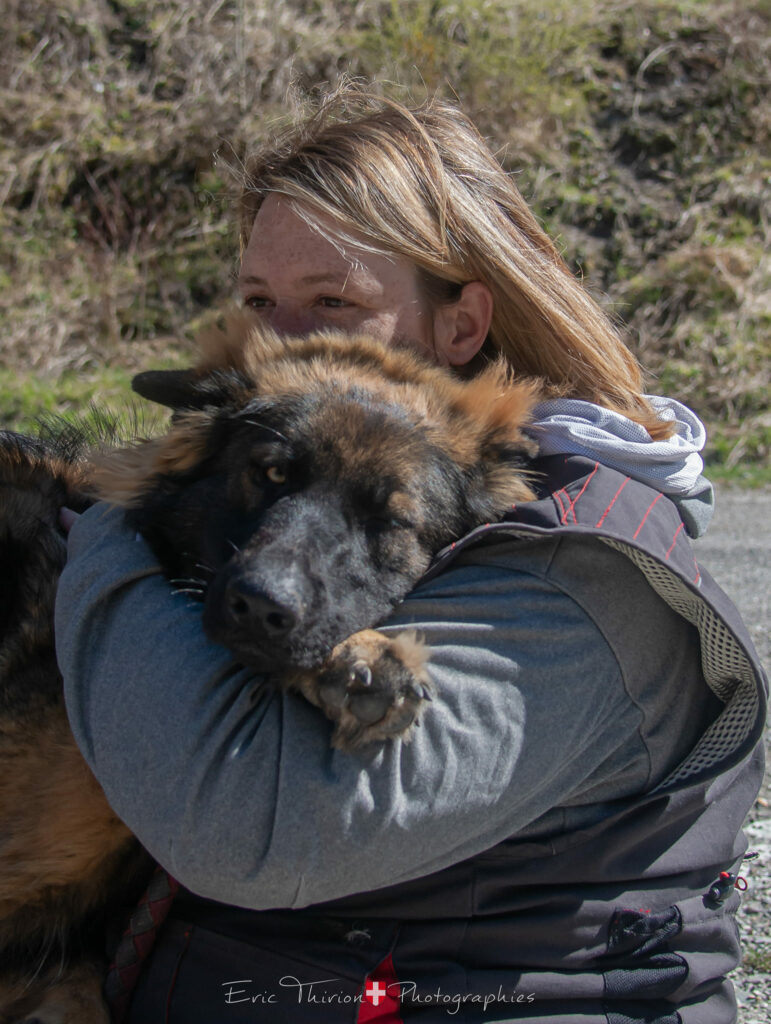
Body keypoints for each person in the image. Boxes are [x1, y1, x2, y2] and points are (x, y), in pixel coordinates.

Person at [55, 86, 766, 1023]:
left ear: (461, 324)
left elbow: (245, 827)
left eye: (333, 301)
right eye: (260, 301)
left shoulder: (578, 566)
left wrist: (114, 506)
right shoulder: (315, 474)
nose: (281, 342)